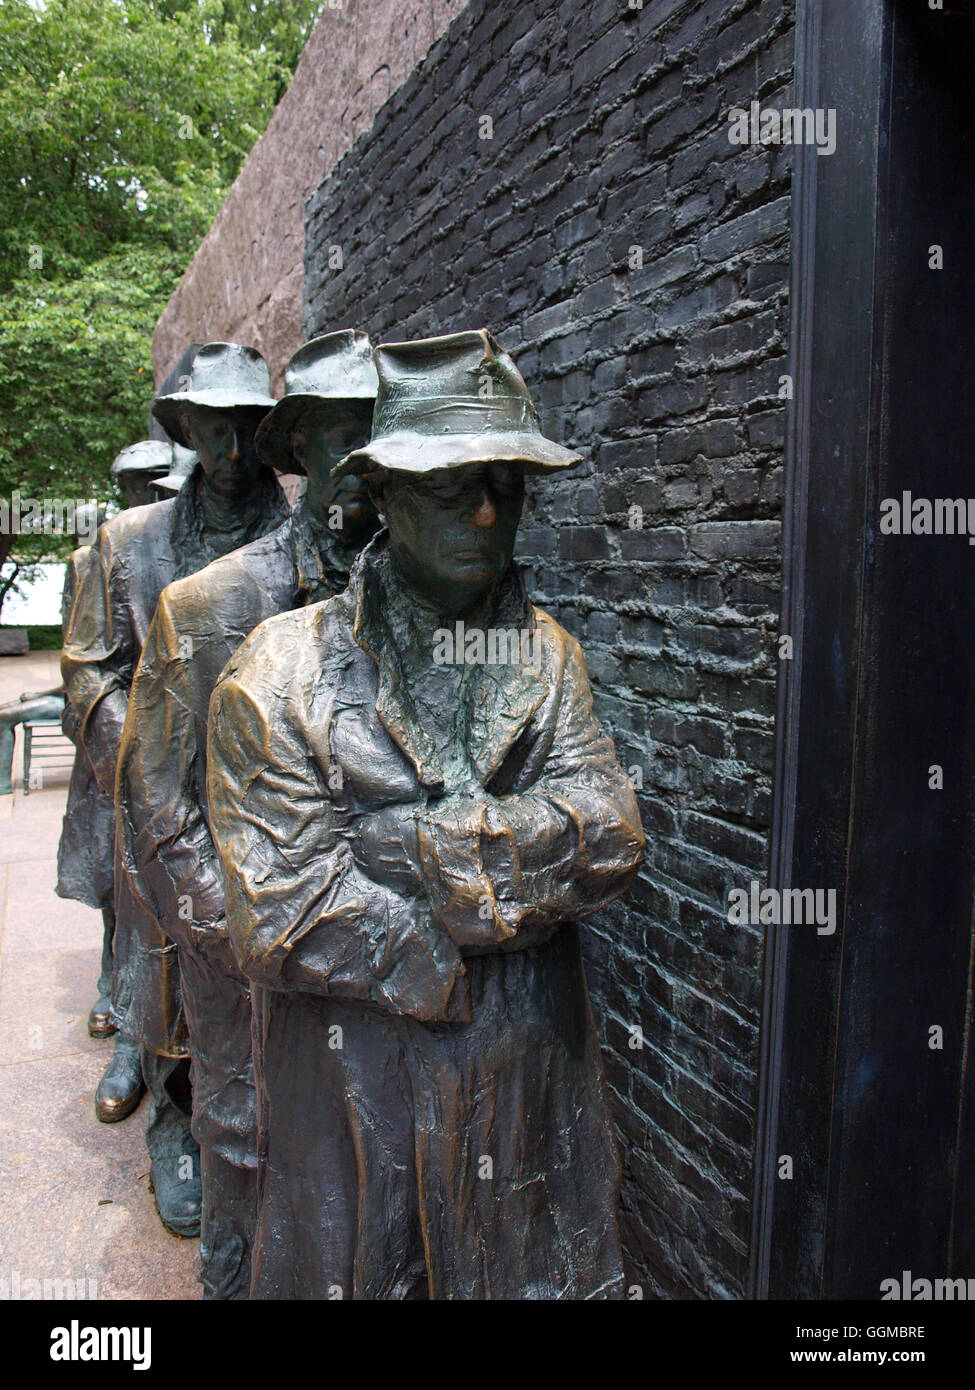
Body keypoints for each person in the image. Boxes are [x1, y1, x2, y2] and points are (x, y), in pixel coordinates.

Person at [207, 330, 646, 1299]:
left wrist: (408, 846)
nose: (490, 513)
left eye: (509, 483)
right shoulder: (277, 677)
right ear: (384, 496)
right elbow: (278, 916)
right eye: (455, 486)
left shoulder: (547, 658)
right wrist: (492, 918)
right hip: (357, 1115)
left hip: (532, 1110)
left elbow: (612, 832)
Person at [115, 330, 380, 1298]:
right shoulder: (214, 604)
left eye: (384, 434)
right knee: (245, 1141)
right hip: (245, 950)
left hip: (374, 955)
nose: (367, 461)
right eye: (345, 436)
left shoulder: (427, 595)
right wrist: (229, 935)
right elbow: (155, 798)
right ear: (301, 449)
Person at [62, 343, 289, 1237]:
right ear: (183, 429)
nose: (231, 451)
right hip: (163, 803)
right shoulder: (130, 544)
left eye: (246, 429)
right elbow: (88, 671)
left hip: (279, 803)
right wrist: (151, 765)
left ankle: (274, 1116)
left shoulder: (300, 536)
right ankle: (177, 1118)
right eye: (212, 429)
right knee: (168, 967)